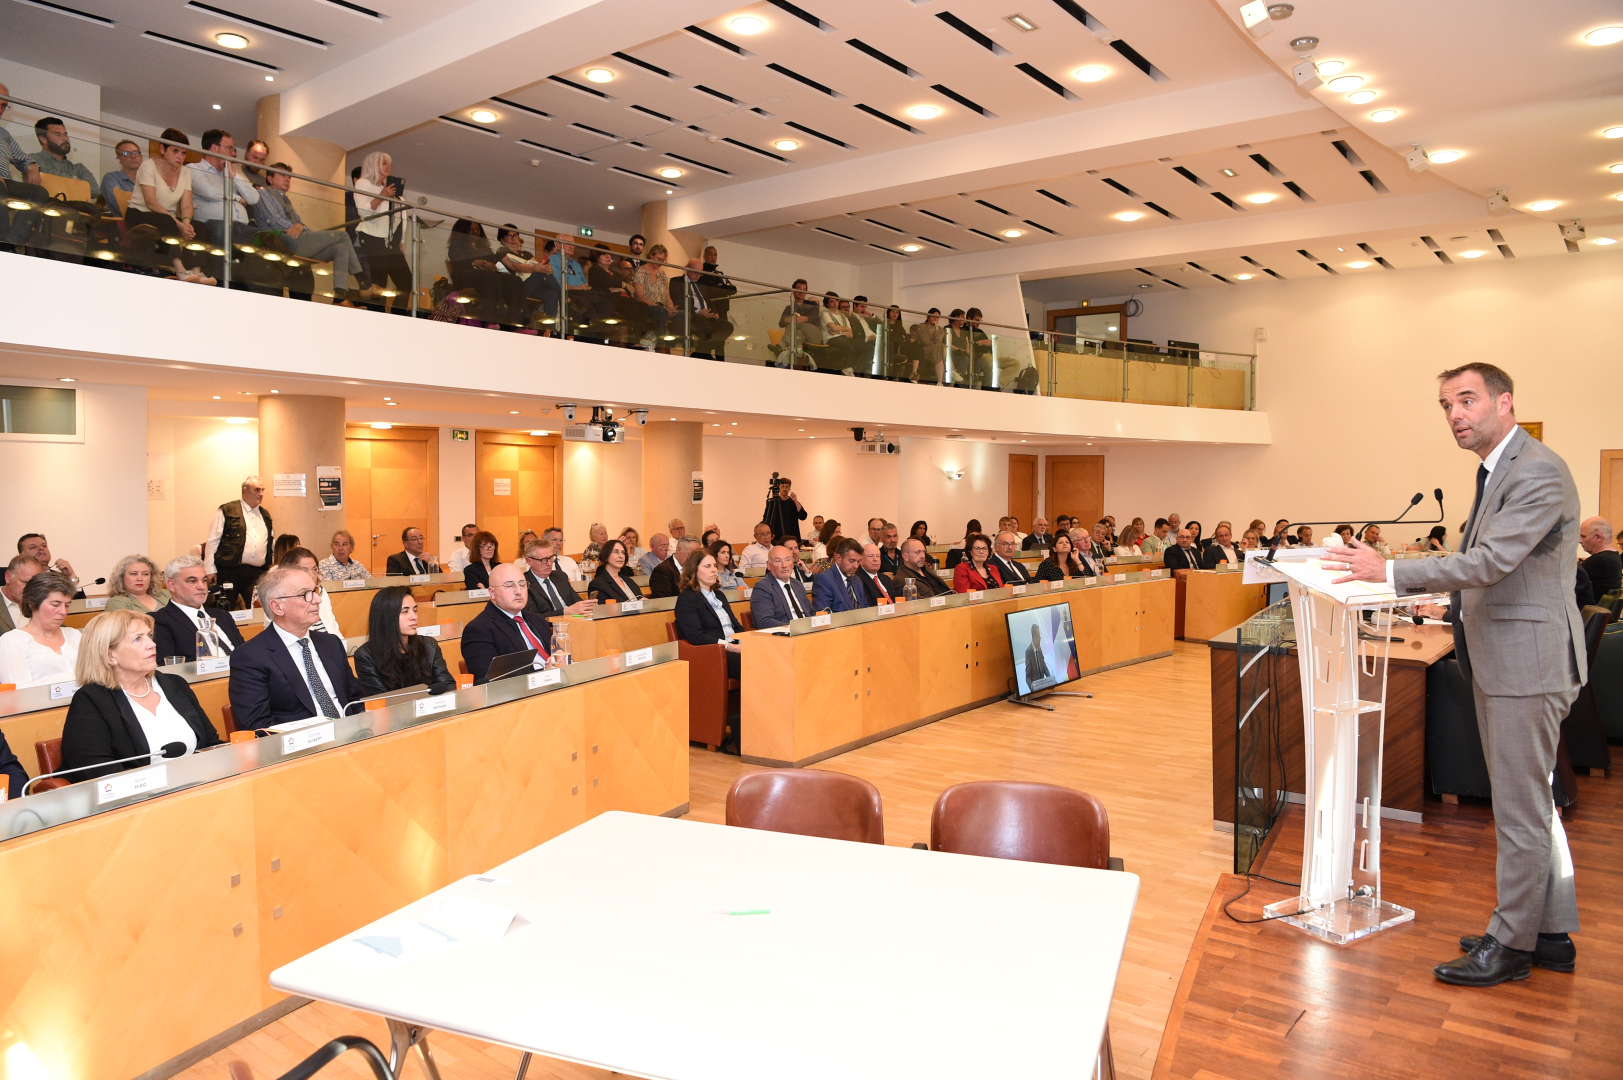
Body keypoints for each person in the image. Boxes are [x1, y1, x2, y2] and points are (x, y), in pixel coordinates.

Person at [1324, 362, 1586, 987]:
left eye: (1467, 400)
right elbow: (1504, 573)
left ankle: (1512, 943)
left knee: (1520, 812)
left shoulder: (1536, 469)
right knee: (1530, 807)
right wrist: (1446, 607)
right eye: (1446, 405)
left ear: (1505, 402)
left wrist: (1389, 572)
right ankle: (1547, 934)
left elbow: (1491, 562)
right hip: (1511, 659)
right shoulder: (1498, 468)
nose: (1455, 415)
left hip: (1526, 665)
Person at [60, 609, 222, 781]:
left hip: (200, 783)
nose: (151, 644)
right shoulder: (91, 700)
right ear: (110, 655)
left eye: (149, 636)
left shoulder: (175, 684)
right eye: (138, 639)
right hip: (141, 794)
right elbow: (97, 772)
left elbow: (210, 743)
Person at [229, 565, 363, 730]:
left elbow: (356, 700)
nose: (317, 599)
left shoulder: (331, 643)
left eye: (316, 591)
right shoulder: (250, 657)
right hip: (303, 742)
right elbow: (258, 726)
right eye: (305, 594)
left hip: (352, 734)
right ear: (278, 607)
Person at [253, 162, 370, 301]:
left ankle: (339, 298)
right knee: (343, 235)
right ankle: (363, 282)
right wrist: (298, 226)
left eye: (289, 177)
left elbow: (301, 226)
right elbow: (274, 221)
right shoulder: (263, 194)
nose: (287, 179)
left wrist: (300, 226)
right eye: (282, 175)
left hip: (296, 241)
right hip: (282, 242)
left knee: (341, 248)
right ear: (270, 178)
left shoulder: (286, 201)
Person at [124, 128, 211, 283]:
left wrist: (186, 223)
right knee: (168, 221)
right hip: (139, 214)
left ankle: (197, 273)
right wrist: (178, 223)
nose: (180, 156)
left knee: (199, 227)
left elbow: (186, 205)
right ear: (162, 149)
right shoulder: (148, 166)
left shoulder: (185, 172)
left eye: (183, 153)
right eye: (175, 151)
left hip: (167, 218)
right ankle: (180, 270)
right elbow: (151, 203)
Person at [353, 586, 455, 697]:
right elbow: (382, 700)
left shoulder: (429, 645)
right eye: (405, 611)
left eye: (415, 610)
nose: (414, 616)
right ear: (386, 617)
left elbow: (448, 685)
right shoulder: (365, 656)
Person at [460, 562, 552, 682]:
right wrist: (546, 674)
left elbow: (557, 656)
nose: (518, 591)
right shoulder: (478, 630)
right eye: (509, 586)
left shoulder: (538, 620)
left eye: (522, 584)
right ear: (492, 592)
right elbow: (490, 680)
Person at [188, 128, 260, 280]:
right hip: (212, 225)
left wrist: (233, 174)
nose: (233, 154)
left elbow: (253, 198)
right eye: (230, 148)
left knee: (269, 238)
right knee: (223, 229)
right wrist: (237, 198)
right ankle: (219, 282)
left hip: (241, 227)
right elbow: (208, 191)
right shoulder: (193, 168)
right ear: (214, 148)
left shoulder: (231, 173)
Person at [152, 555, 245, 662]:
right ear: (172, 585)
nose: (202, 587)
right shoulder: (160, 620)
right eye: (192, 581)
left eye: (204, 580)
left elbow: (244, 651)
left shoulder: (222, 615)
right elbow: (168, 667)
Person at [0, 571, 80, 687]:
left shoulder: (74, 635)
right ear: (32, 604)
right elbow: (18, 690)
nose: (63, 611)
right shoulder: (13, 640)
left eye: (67, 605)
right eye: (55, 604)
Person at [674, 548, 744, 677]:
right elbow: (696, 636)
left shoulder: (719, 595)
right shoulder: (687, 598)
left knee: (770, 653)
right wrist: (730, 646)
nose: (713, 570)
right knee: (755, 663)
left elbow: (736, 626)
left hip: (734, 646)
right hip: (714, 653)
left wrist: (747, 641)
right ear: (693, 570)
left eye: (714, 565)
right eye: (707, 566)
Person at [204, 475, 271, 609]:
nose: (261, 494)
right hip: (229, 570)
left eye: (263, 490)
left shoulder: (265, 514)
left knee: (260, 607)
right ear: (245, 490)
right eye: (257, 490)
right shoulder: (226, 510)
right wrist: (210, 569)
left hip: (256, 572)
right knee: (225, 608)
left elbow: (270, 542)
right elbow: (213, 540)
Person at [353, 151, 410, 306]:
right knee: (380, 280)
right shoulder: (364, 183)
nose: (388, 166)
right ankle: (377, 314)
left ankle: (397, 314)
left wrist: (400, 241)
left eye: (389, 163)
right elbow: (363, 212)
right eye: (384, 163)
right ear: (373, 164)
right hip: (371, 235)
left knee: (406, 281)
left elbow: (401, 219)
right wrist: (382, 195)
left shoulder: (396, 194)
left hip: (391, 241)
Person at [449, 219, 525, 326]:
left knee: (515, 281)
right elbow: (458, 263)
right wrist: (478, 263)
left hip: (487, 278)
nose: (475, 232)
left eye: (477, 229)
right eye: (471, 229)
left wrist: (492, 266)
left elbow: (494, 263)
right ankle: (491, 321)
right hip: (465, 278)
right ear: (463, 231)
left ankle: (516, 323)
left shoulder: (485, 249)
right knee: (489, 276)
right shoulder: (457, 244)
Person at [671, 259, 731, 359]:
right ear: (687, 268)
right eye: (696, 272)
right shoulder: (676, 281)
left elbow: (708, 301)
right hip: (692, 315)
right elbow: (679, 303)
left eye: (700, 273)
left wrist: (714, 312)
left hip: (707, 316)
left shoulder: (701, 285)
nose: (698, 276)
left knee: (727, 326)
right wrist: (698, 311)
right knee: (703, 322)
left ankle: (700, 352)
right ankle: (705, 353)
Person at [279, 548, 342, 637]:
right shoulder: (281, 600)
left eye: (314, 569)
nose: (312, 575)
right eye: (304, 570)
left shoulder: (321, 593)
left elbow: (335, 631)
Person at [521, 541, 593, 618]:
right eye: (544, 560)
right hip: (548, 624)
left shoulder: (560, 577)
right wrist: (564, 612)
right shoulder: (524, 584)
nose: (549, 564)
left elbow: (577, 602)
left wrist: (588, 606)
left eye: (551, 558)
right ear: (529, 561)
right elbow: (532, 617)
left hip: (573, 620)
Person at [751, 545, 812, 629]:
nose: (784, 565)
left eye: (787, 560)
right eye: (778, 561)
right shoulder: (762, 588)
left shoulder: (797, 584)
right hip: (786, 633)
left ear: (793, 563)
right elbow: (764, 622)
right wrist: (795, 627)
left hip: (808, 631)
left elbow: (811, 612)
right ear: (769, 565)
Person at [632, 244, 678, 349]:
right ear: (651, 255)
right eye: (658, 259)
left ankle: (673, 344)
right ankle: (661, 344)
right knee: (660, 311)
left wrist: (671, 308)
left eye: (663, 260)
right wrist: (660, 307)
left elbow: (667, 297)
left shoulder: (663, 275)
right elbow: (639, 296)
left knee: (682, 315)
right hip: (646, 306)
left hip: (662, 307)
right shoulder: (641, 271)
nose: (660, 262)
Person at [27, 117, 96, 186]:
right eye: (58, 135)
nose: (65, 139)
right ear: (43, 139)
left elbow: (94, 190)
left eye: (65, 134)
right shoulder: (32, 160)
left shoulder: (79, 169)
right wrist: (76, 179)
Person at [811, 538, 870, 613]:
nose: (856, 566)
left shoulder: (857, 579)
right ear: (838, 558)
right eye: (851, 561)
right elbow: (823, 614)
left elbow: (865, 606)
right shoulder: (824, 580)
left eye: (858, 562)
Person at [105, 554, 171, 614]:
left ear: (151, 577)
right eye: (134, 574)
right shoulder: (116, 602)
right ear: (122, 577)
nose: (140, 578)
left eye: (145, 574)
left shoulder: (167, 594)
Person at [100, 139, 142, 219]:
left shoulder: (149, 180)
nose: (133, 156)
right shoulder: (111, 178)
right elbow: (123, 208)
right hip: (123, 224)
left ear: (141, 157)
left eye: (136, 153)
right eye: (126, 153)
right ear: (119, 159)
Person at [1578, 517, 1620, 597]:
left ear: (1598, 537)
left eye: (1583, 536)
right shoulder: (1614, 555)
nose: (1580, 541)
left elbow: (1567, 582)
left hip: (1588, 604)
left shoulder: (1600, 560)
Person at [0, 555, 41, 633]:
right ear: (8, 577)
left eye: (34, 584)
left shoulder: (40, 604)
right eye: (24, 582)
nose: (29, 588)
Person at [763, 476, 807, 543]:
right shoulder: (772, 502)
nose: (784, 489)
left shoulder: (793, 502)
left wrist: (796, 501)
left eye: (787, 486)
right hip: (776, 538)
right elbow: (766, 519)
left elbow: (803, 516)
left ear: (789, 488)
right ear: (779, 487)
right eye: (782, 486)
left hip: (792, 537)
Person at [910, 308, 945, 384]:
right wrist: (935, 345)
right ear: (928, 317)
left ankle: (939, 382)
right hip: (923, 350)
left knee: (940, 347)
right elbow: (926, 341)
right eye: (933, 316)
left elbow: (938, 341)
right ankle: (949, 372)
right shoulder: (922, 326)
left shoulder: (940, 329)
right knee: (941, 348)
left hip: (935, 352)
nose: (935, 319)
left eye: (937, 317)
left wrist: (936, 328)